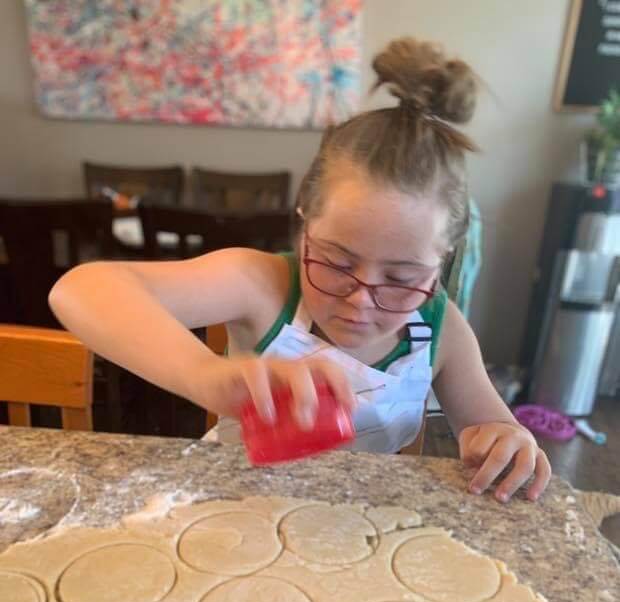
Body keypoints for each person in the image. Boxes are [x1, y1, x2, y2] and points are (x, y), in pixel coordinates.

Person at [50, 37, 551, 503]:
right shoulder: (260, 285)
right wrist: (205, 374)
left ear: (440, 264)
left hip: (358, 533)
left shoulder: (442, 333)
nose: (360, 300)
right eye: (336, 262)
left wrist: (508, 440)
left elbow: (491, 427)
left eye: (400, 280)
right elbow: (80, 289)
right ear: (303, 222)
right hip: (233, 513)